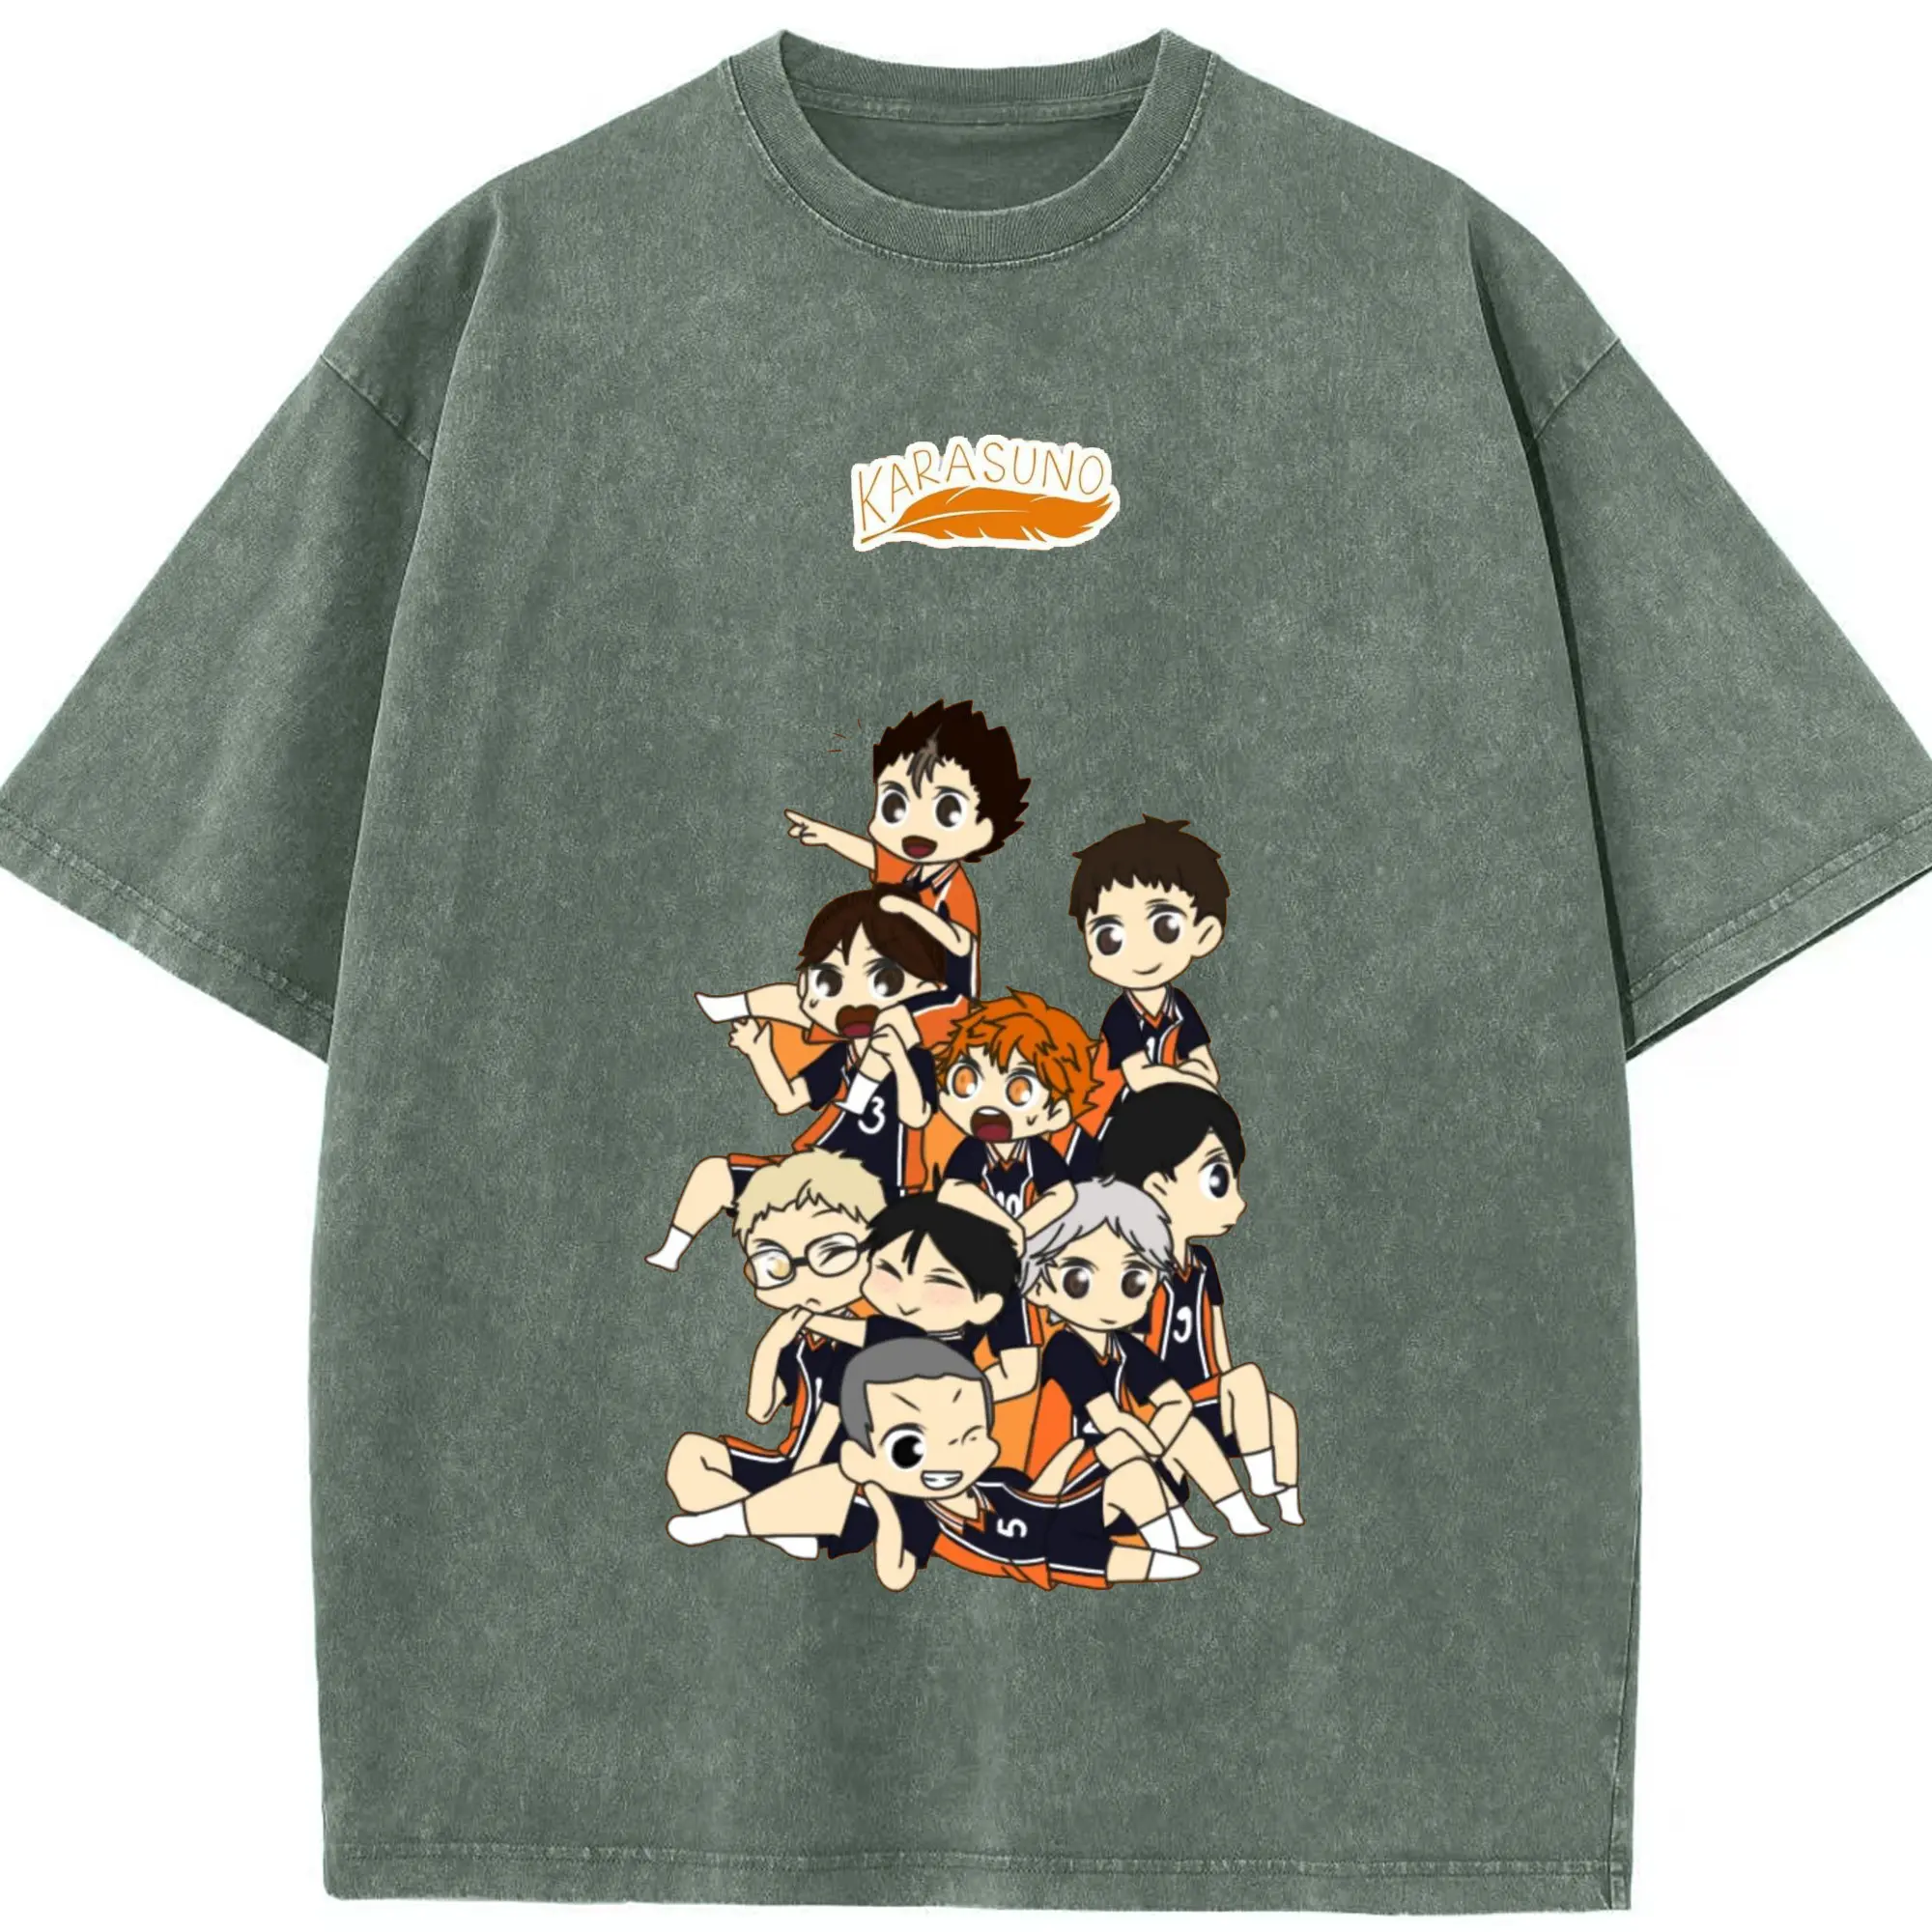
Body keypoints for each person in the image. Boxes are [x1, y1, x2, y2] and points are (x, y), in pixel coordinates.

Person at [668, 1337, 1201, 1591]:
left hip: (1054, 1517)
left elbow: (1037, 1494)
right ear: (867, 1456)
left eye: (966, 1439)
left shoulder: (994, 1480)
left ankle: (1174, 1537)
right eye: (911, 1446)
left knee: (1134, 1480)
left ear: (985, 1446)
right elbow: (896, 1575)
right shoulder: (918, 1514)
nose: (947, 1458)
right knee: (1119, 1561)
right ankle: (736, 1521)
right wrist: (883, 1499)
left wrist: (1078, 1452)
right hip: (1042, 1554)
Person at [645, 890, 943, 1269]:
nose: (854, 1001)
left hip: (879, 1193)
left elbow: (917, 1117)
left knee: (821, 1236)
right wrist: (759, 1051)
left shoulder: (914, 1057)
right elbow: (786, 1100)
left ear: (926, 990)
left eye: (884, 980)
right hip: (819, 1177)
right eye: (830, 982)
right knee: (714, 1174)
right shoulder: (841, 1056)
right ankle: (670, 1254)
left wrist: (898, 1059)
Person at [1095, 1088, 1302, 1523]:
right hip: (1162, 1404)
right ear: (1157, 1187)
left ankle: (1288, 1505)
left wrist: (1233, 1391)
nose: (1239, 1202)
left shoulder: (1203, 1264)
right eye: (1217, 1181)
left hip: (1209, 1395)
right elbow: (1129, 1355)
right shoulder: (1136, 1272)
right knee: (1247, 1381)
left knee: (1279, 1411)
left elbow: (1217, 1340)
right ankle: (1259, 1479)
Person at [1023, 1180, 1272, 1540]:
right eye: (1079, 1279)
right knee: (1122, 1442)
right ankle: (1171, 1533)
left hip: (1124, 1472)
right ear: (1039, 1287)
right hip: (1064, 1486)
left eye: (1132, 1281)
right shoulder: (1065, 1348)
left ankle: (1237, 1513)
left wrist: (1159, 1440)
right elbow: (1109, 1421)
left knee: (1184, 1429)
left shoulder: (1123, 1344)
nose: (1109, 1300)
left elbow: (1176, 1401)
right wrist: (1155, 1445)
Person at [663, 1151, 885, 1547]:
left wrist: (793, 1491)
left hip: (841, 1487)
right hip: (790, 1468)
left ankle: (754, 1521)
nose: (806, 1278)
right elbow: (760, 1411)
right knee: (689, 1457)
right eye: (777, 1266)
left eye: (831, 1253)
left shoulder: (865, 1339)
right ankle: (777, 1529)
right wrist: (771, 1345)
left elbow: (826, 1433)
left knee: (841, 1503)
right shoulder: (799, 1339)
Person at [1061, 816, 1228, 1174]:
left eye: (1164, 927)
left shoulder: (1179, 1007)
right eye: (1111, 937)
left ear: (1204, 934)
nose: (1139, 952)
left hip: (1155, 1117)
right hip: (1104, 1124)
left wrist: (1187, 1079)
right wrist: (1188, 1078)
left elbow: (1207, 1069)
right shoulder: (1121, 1015)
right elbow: (1139, 1078)